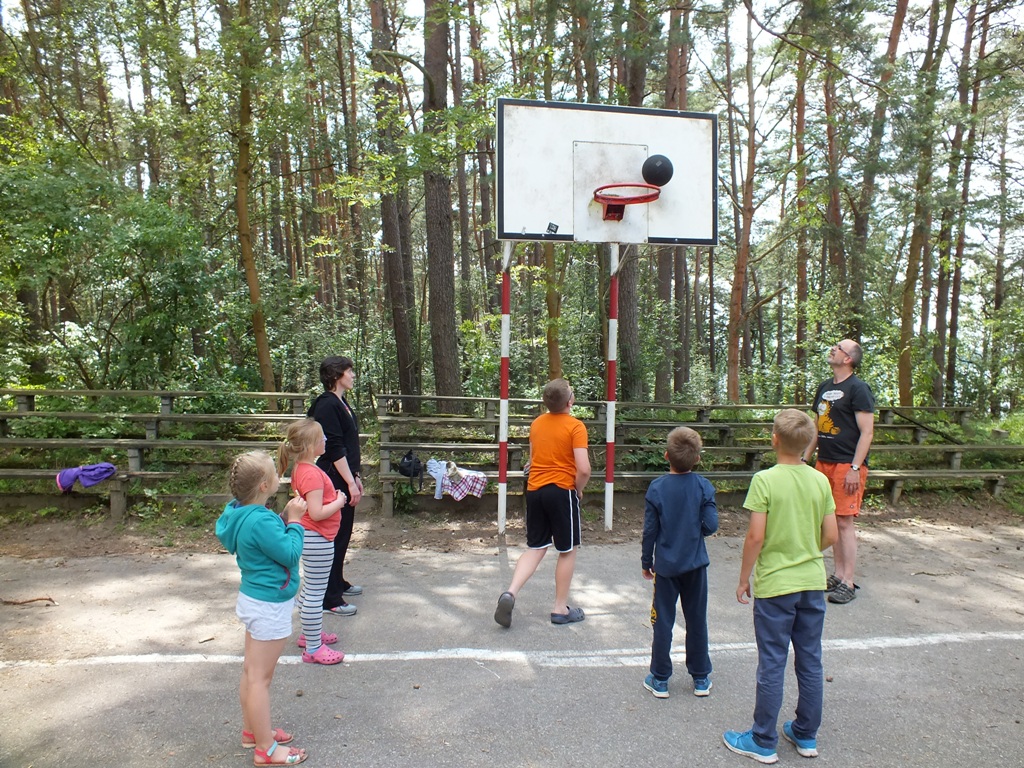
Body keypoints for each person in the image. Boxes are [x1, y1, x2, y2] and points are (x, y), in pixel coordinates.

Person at [723, 409, 838, 764]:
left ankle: (762, 739)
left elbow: (756, 536)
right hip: (812, 582)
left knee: (773, 661)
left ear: (774, 439)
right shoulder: (820, 480)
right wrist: (806, 551)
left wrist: (744, 577)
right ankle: (806, 733)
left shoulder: (765, 480)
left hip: (775, 585)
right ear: (809, 442)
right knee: (810, 658)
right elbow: (831, 535)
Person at [216, 451, 309, 766]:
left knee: (251, 672)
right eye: (275, 474)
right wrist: (295, 522)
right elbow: (290, 553)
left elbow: (264, 539)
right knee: (260, 679)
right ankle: (266, 750)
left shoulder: (241, 513)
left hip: (254, 600)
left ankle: (252, 732)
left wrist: (282, 519)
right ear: (264, 485)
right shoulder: (261, 520)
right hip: (269, 605)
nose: (280, 477)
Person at [494, 378, 590, 628]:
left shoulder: (537, 423)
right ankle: (560, 609)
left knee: (536, 547)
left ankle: (510, 592)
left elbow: (533, 459)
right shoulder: (576, 426)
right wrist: (578, 490)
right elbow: (584, 469)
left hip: (535, 491)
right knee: (567, 550)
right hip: (561, 491)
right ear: (570, 401)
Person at [641, 427, 718, 699]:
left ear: (666, 456)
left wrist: (646, 560)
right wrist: (697, 528)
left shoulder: (657, 488)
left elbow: (650, 530)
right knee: (696, 619)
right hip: (695, 565)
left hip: (666, 567)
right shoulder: (703, 486)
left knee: (663, 620)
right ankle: (700, 677)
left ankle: (660, 677)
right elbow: (711, 525)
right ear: (697, 458)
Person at [803, 339, 874, 605]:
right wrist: (805, 458)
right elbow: (816, 427)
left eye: (839, 347)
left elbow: (867, 432)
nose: (833, 348)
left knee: (844, 522)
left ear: (848, 359)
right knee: (830, 520)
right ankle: (837, 574)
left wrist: (855, 467)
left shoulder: (858, 389)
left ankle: (848, 582)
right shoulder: (824, 387)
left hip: (847, 464)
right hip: (824, 461)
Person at [278, 419, 348, 665]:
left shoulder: (304, 468)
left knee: (311, 589)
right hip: (317, 538)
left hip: (314, 536)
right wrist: (339, 501)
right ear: (309, 446)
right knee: (316, 594)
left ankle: (310, 634)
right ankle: (313, 649)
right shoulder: (311, 474)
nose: (326, 440)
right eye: (321, 438)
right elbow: (317, 513)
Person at [308, 356, 364, 617]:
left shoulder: (341, 402)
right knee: (334, 535)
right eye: (349, 371)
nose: (352, 375)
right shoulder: (327, 405)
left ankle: (337, 582)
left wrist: (356, 476)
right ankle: (329, 598)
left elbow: (350, 445)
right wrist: (349, 483)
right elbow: (335, 448)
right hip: (333, 476)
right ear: (336, 375)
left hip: (345, 474)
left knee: (343, 533)